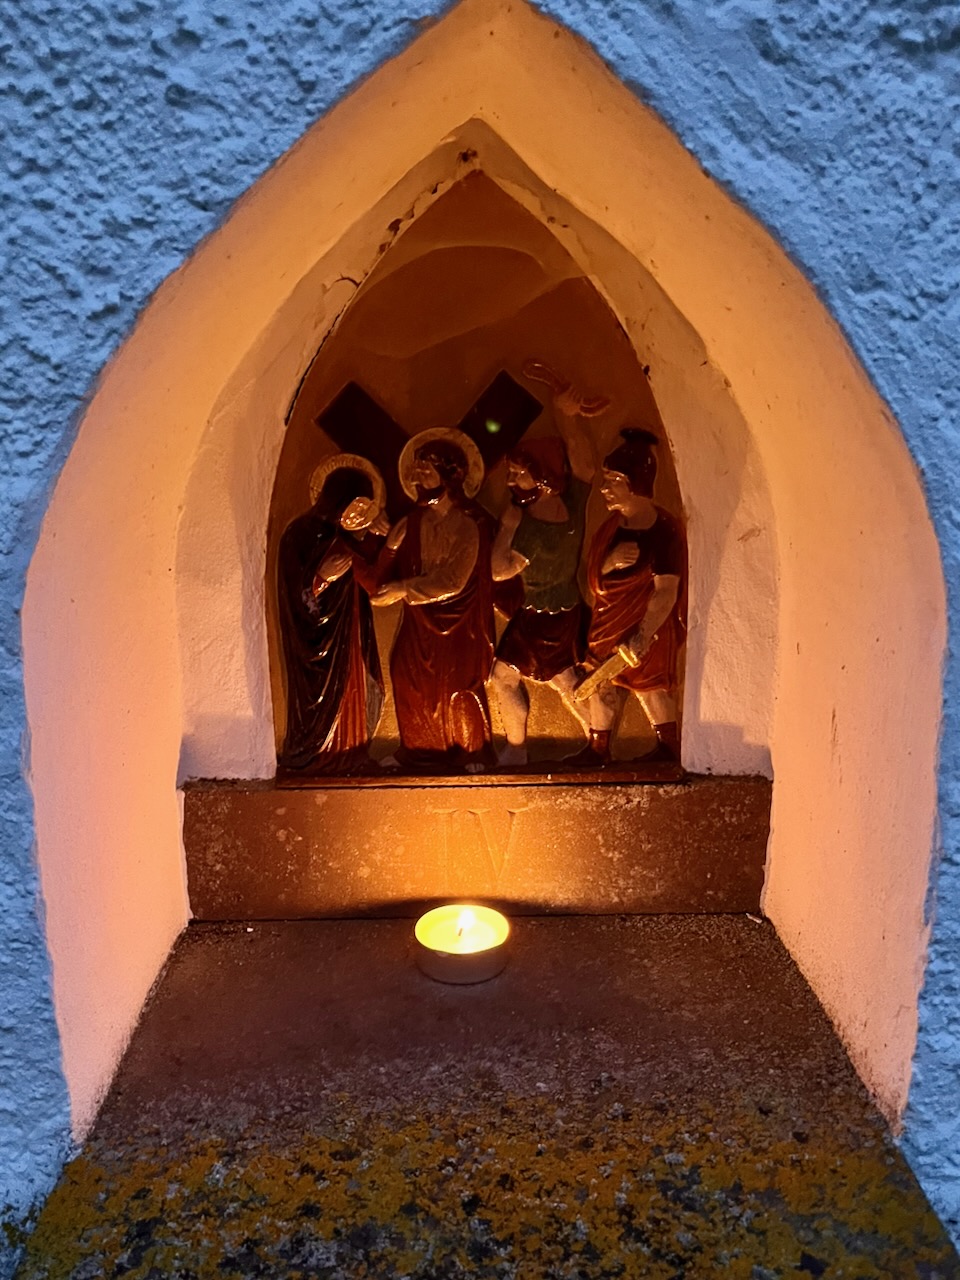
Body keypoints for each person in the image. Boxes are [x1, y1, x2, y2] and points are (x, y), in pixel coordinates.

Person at [372, 429, 496, 770]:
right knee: (405, 674)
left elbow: (454, 580)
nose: (416, 479)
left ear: (448, 475)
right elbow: (379, 582)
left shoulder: (468, 525)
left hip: (459, 626)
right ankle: (416, 751)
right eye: (415, 472)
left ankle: (472, 751)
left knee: (458, 685)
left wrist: (403, 589)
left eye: (425, 471)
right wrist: (389, 545)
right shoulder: (412, 522)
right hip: (418, 623)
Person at [489, 385, 598, 765]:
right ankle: (597, 739)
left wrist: (506, 528)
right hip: (567, 611)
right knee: (564, 680)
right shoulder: (573, 504)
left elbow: (499, 571)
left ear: (540, 476)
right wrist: (567, 418)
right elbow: (585, 466)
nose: (510, 482)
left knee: (509, 677)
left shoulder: (529, 528)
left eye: (517, 474)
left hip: (538, 616)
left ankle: (518, 749)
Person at [577, 427, 686, 764]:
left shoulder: (664, 531)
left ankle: (668, 746)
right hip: (607, 620)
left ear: (636, 484)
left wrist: (643, 633)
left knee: (649, 685)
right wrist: (609, 562)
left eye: (614, 481)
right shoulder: (610, 529)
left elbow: (667, 590)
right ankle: (598, 748)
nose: (605, 489)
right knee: (600, 681)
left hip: (647, 625)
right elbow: (593, 579)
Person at [276, 454, 387, 775]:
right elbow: (291, 590)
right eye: (356, 506)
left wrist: (378, 534)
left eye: (365, 508)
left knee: (353, 686)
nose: (359, 515)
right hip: (317, 640)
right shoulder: (299, 533)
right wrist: (321, 578)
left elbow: (372, 576)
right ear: (336, 499)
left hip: (350, 632)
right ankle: (320, 754)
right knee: (326, 692)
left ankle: (353, 753)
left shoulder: (348, 539)